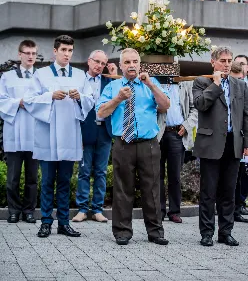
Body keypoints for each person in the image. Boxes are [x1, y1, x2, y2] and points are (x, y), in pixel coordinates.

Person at [96, 48, 170, 246]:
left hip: (149, 144)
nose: (131, 65)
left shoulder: (149, 83)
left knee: (152, 189)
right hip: (123, 143)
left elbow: (165, 105)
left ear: (139, 64)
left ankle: (156, 232)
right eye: (127, 62)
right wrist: (118, 98)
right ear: (120, 66)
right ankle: (122, 232)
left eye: (134, 62)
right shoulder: (113, 87)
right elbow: (101, 113)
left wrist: (151, 86)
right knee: (122, 189)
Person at [24, 35, 95, 238]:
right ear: (55, 51)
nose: (67, 54)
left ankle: (63, 223)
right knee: (47, 181)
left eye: (70, 50)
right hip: (47, 135)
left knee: (64, 181)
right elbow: (29, 100)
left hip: (69, 134)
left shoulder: (80, 76)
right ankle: (46, 221)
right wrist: (49, 96)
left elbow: (90, 99)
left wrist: (79, 97)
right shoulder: (42, 74)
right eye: (63, 50)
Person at [193, 46, 248, 247]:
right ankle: (207, 233)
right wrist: (216, 84)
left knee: (229, 191)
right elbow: (201, 105)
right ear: (213, 62)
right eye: (223, 61)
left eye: (229, 61)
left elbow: (247, 116)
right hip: (211, 143)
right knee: (208, 191)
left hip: (233, 142)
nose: (227, 65)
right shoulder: (202, 82)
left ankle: (225, 232)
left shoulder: (240, 85)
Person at [73, 50, 117, 223]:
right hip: (85, 130)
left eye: (103, 63)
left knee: (101, 172)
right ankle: (82, 209)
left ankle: (97, 209)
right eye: (96, 61)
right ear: (89, 61)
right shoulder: (79, 80)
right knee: (84, 171)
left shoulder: (109, 81)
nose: (99, 66)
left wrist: (114, 75)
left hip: (104, 131)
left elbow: (119, 97)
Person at [0, 40, 38, 224]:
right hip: (14, 132)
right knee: (13, 178)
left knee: (32, 178)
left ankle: (29, 211)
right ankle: (14, 211)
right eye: (27, 53)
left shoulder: (42, 77)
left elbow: (47, 100)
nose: (31, 57)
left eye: (33, 53)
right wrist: (19, 103)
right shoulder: (7, 77)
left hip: (35, 134)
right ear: (19, 55)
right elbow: (1, 100)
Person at [160, 81, 198, 223]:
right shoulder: (156, 83)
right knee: (157, 174)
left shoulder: (185, 85)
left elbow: (195, 109)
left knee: (174, 175)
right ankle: (159, 210)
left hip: (177, 134)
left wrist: (187, 125)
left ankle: (174, 211)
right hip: (158, 133)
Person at [230, 62, 248, 223]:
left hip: (240, 139)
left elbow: (247, 116)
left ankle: (237, 208)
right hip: (222, 139)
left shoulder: (243, 88)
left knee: (239, 177)